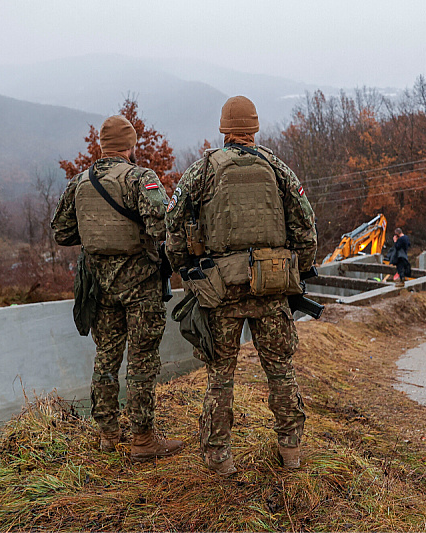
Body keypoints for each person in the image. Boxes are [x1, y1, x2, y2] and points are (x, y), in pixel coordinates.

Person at [165, 96, 317, 475]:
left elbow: (173, 228)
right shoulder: (279, 169)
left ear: (224, 130)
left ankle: (219, 459)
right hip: (272, 288)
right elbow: (306, 230)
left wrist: (189, 272)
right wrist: (296, 275)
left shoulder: (202, 170)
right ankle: (291, 452)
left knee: (220, 380)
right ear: (254, 129)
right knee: (280, 370)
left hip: (221, 293)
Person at [51, 115, 184, 461]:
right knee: (142, 361)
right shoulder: (141, 178)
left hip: (99, 287)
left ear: (101, 145)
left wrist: (98, 235)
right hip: (141, 285)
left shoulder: (80, 182)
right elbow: (162, 227)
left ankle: (107, 434)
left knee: (106, 358)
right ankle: (142, 440)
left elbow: (62, 233)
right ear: (131, 145)